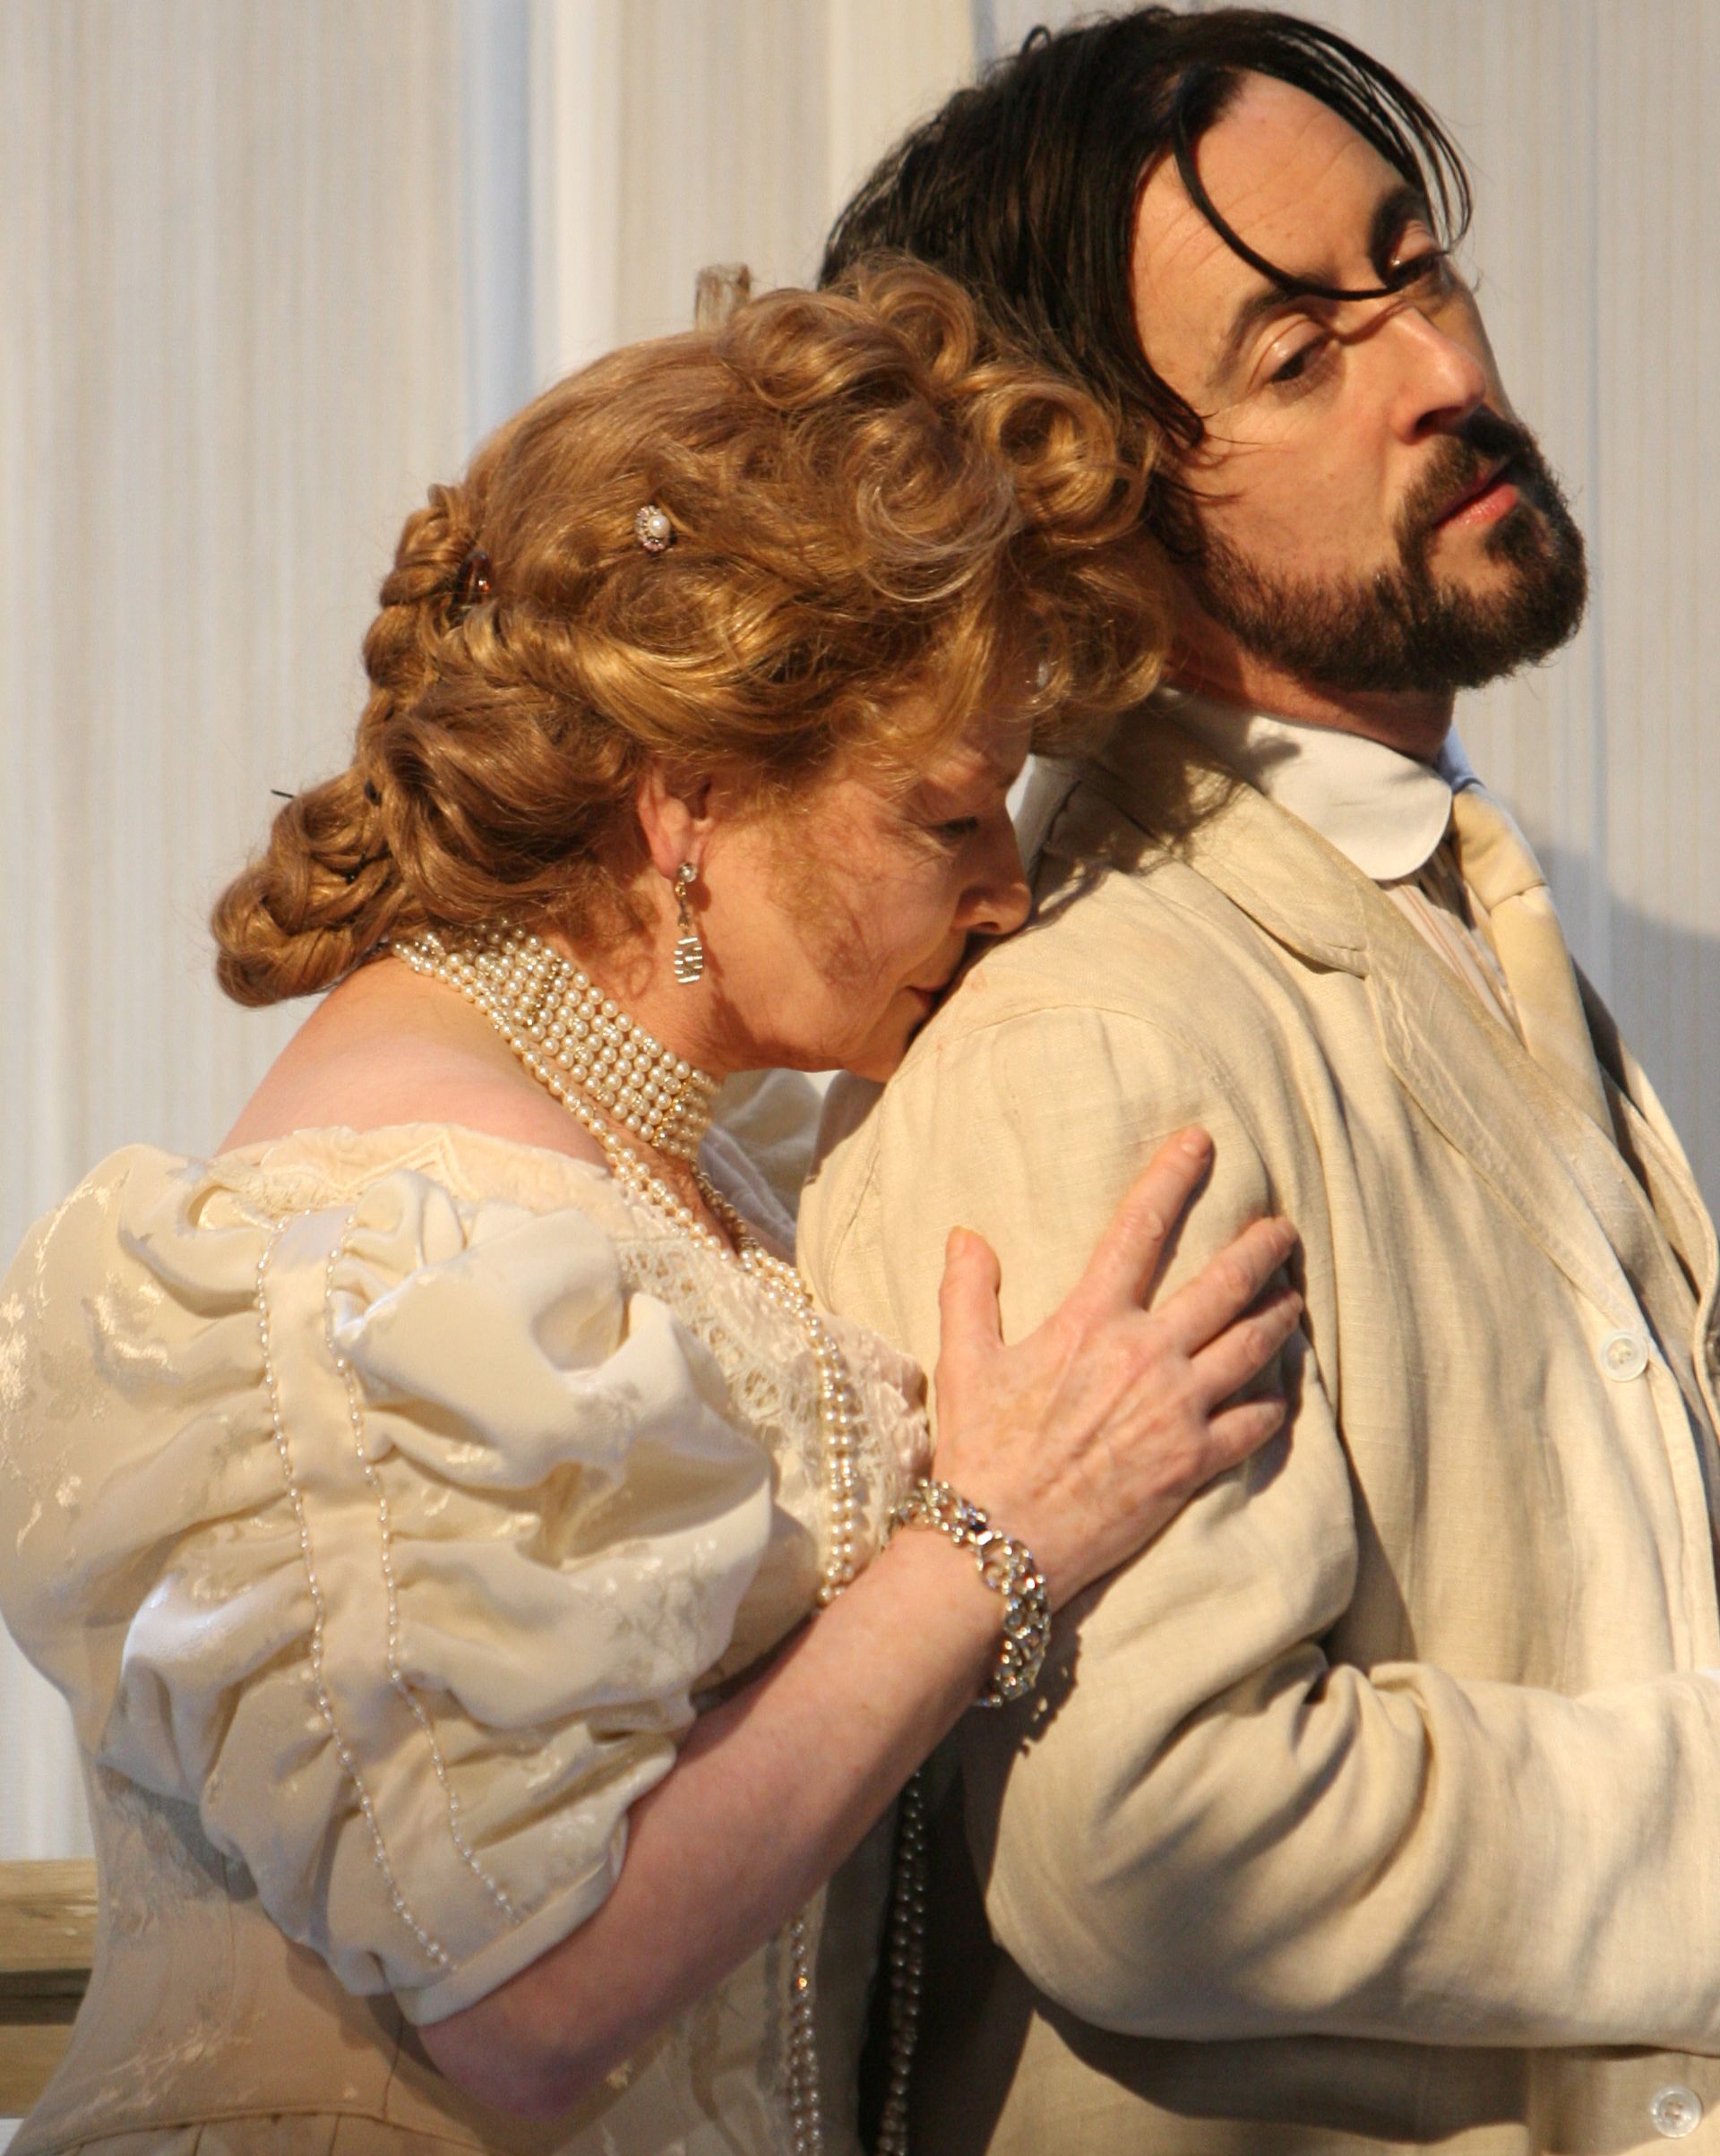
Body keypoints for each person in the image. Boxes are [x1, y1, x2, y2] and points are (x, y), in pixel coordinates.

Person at [0, 262, 1301, 2156]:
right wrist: (993, 1539)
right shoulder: (379, 1234)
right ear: (690, 799)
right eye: (948, 813)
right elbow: (530, 1999)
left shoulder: (692, 1175)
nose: (1006, 888)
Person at [802, 12, 1720, 2154]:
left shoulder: (1440, 913)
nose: (1442, 375)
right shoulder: (1106, 1025)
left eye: (1414, 266)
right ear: (1091, 508)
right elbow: (1154, 1827)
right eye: (1299, 356)